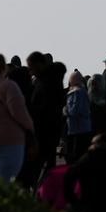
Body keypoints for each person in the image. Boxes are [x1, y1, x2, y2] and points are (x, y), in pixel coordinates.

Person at [0, 52, 35, 181]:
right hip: (8, 140)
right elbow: (19, 113)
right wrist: (31, 130)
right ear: (4, 67)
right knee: (3, 186)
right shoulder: (8, 86)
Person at [25, 51, 66, 184]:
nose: (31, 71)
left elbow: (43, 108)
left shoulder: (47, 82)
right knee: (46, 166)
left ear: (40, 65)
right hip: (48, 129)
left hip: (45, 130)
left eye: (32, 67)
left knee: (39, 167)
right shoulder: (45, 80)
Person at [64, 71, 92, 164]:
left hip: (77, 128)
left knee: (75, 157)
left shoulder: (76, 92)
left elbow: (74, 110)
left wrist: (66, 111)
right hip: (82, 128)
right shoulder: (83, 91)